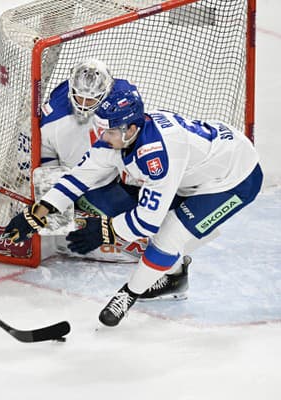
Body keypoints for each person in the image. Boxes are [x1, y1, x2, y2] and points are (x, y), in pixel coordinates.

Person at [5, 80, 262, 327]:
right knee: (152, 218)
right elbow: (77, 179)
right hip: (195, 171)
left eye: (110, 131)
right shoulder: (117, 137)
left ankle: (128, 295)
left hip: (232, 180)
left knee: (167, 237)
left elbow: (146, 222)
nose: (103, 136)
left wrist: (105, 231)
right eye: (101, 128)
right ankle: (174, 276)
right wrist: (35, 214)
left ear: (131, 129)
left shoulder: (157, 155)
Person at [39, 60, 191, 300]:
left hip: (113, 172)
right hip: (86, 182)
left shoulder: (120, 97)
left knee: (161, 212)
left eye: (92, 100)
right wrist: (54, 206)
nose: (84, 105)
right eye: (80, 98)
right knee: (145, 235)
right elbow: (47, 165)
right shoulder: (53, 119)